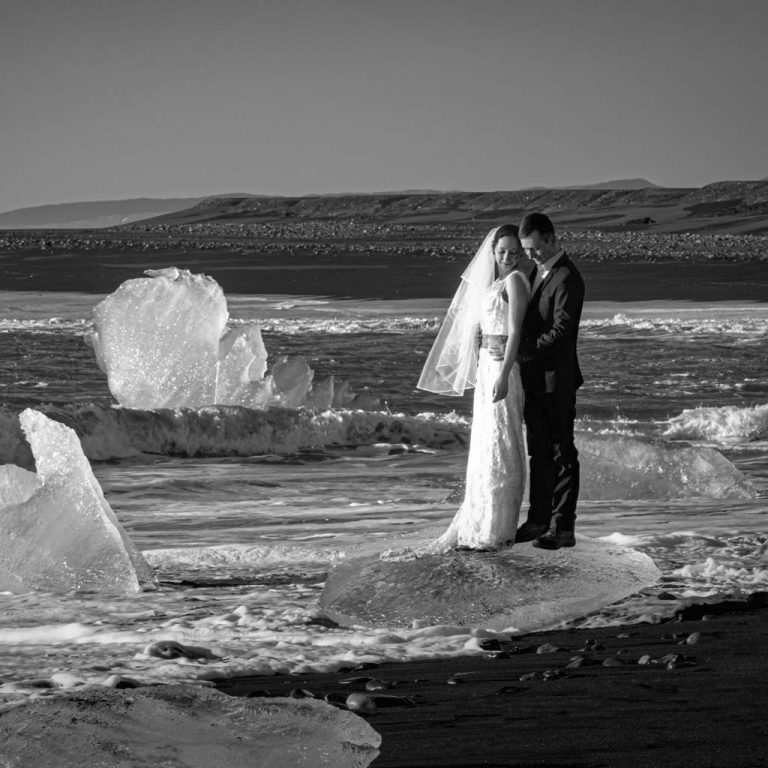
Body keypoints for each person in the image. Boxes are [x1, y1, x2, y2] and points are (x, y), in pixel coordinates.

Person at [415, 224, 531, 552]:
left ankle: (497, 527)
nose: (508, 257)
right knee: (485, 445)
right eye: (502, 251)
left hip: (502, 370)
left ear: (520, 253)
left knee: (502, 443)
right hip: (486, 367)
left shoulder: (515, 281)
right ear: (493, 252)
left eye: (513, 251)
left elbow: (516, 331)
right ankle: (478, 519)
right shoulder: (493, 283)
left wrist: (504, 372)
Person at [508, 212, 585, 550]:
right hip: (535, 381)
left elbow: (561, 330)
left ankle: (562, 527)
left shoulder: (567, 277)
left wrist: (524, 352)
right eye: (526, 250)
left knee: (561, 452)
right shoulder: (536, 273)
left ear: (552, 239)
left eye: (535, 248)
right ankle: (538, 520)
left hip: (558, 380)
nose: (530, 255)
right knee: (538, 453)